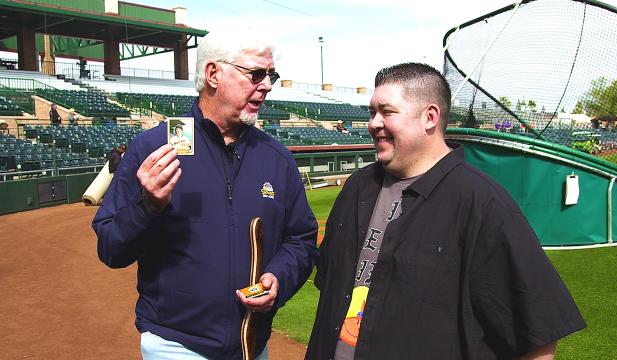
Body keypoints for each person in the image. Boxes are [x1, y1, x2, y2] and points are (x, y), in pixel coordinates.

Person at [305, 63, 586, 360]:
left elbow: (536, 338)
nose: (374, 123)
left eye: (387, 112)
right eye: (371, 112)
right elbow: (331, 288)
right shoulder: (357, 188)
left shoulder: (483, 204)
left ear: (430, 117)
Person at [92, 28, 318, 360]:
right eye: (256, 73)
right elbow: (111, 248)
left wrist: (279, 278)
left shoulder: (276, 157)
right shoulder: (156, 146)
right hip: (176, 346)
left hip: (252, 344)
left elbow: (300, 238)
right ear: (213, 74)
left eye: (272, 75)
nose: (267, 85)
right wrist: (147, 205)